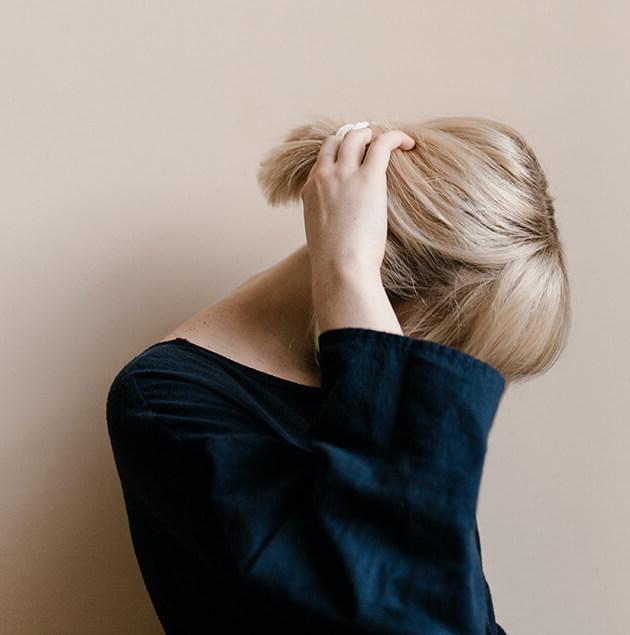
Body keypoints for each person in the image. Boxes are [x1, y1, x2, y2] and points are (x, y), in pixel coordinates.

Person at [106, 117, 570, 633]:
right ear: (382, 291)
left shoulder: (386, 424)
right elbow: (402, 613)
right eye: (447, 355)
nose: (435, 389)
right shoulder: (164, 400)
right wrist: (347, 271)